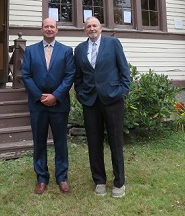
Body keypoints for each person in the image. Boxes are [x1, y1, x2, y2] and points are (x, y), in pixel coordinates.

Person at [74, 16, 130, 198]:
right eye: (88, 26)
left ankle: (119, 182)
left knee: (115, 141)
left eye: (95, 25)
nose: (92, 28)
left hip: (113, 98)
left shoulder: (113, 43)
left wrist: (123, 91)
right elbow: (78, 76)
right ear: (85, 30)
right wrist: (81, 94)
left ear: (101, 28)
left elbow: (124, 69)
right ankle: (99, 180)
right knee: (94, 142)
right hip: (90, 101)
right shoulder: (80, 49)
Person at [22, 18, 75, 195]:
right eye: (46, 26)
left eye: (52, 26)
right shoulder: (30, 50)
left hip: (59, 104)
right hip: (38, 105)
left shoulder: (67, 51)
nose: (49, 29)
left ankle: (62, 177)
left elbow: (69, 76)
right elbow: (26, 75)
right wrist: (39, 96)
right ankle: (41, 178)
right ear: (42, 29)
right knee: (39, 142)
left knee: (60, 142)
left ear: (57, 30)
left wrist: (55, 96)